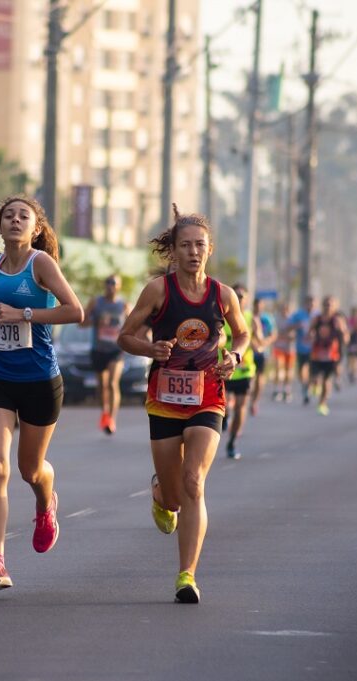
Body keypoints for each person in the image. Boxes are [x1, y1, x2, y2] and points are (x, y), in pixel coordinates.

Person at [117, 206, 249, 604]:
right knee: (175, 495)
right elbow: (126, 336)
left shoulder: (222, 295)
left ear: (210, 250)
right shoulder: (159, 291)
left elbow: (242, 335)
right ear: (173, 251)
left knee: (195, 482)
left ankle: (186, 575)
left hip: (208, 395)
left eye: (200, 245)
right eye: (186, 245)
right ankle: (160, 494)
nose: (194, 252)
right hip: (164, 399)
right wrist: (150, 347)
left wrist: (235, 357)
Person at [0, 195, 83, 591]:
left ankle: (46, 505)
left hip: (40, 380)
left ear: (35, 229)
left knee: (30, 470)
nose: (14, 220)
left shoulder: (40, 264)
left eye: (22, 216)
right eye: (8, 215)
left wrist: (24, 314)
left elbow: (74, 311)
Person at [81, 274, 132, 434]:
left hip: (116, 350)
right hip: (98, 349)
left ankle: (112, 419)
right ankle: (105, 412)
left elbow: (132, 326)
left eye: (113, 283)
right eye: (108, 282)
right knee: (102, 385)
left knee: (112, 383)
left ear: (119, 286)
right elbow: (82, 323)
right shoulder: (96, 303)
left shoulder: (124, 306)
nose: (110, 286)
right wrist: (96, 321)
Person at [222, 285, 259, 458]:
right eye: (236, 295)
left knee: (241, 406)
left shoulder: (251, 318)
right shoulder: (221, 316)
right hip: (224, 368)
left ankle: (232, 441)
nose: (239, 298)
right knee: (225, 405)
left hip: (244, 369)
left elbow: (258, 340)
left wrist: (257, 343)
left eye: (242, 296)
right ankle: (225, 417)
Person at [308, 296, 350, 416]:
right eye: (326, 304)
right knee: (314, 377)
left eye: (330, 305)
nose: (328, 307)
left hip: (331, 354)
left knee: (327, 380)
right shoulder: (317, 319)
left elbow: (345, 335)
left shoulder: (337, 320)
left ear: (334, 306)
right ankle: (316, 386)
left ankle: (322, 404)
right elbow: (310, 331)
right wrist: (311, 335)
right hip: (317, 353)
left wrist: (344, 338)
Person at [248, 295, 276, 416]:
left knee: (260, 379)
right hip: (249, 353)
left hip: (263, 353)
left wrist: (265, 343)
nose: (258, 308)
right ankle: (245, 398)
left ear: (263, 306)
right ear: (254, 305)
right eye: (256, 305)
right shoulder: (248, 317)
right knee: (250, 380)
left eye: (260, 306)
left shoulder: (267, 318)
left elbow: (273, 334)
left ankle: (254, 402)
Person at [288, 296, 318, 404]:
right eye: (309, 303)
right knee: (301, 371)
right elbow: (288, 327)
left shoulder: (318, 315)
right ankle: (305, 387)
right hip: (301, 347)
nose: (311, 306)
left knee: (312, 371)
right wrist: (297, 326)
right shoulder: (298, 315)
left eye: (313, 304)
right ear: (305, 304)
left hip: (315, 348)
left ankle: (309, 388)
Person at [271, 301, 297, 402]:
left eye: (287, 308)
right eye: (283, 308)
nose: (285, 310)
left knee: (288, 370)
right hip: (278, 347)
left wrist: (285, 335)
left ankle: (287, 390)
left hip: (289, 348)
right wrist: (284, 335)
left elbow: (293, 336)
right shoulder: (276, 319)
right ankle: (277, 390)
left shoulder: (292, 319)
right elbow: (274, 333)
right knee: (278, 368)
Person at [345, 306, 357, 386]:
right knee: (351, 358)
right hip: (351, 340)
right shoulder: (349, 320)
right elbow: (347, 330)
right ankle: (351, 371)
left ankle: (355, 372)